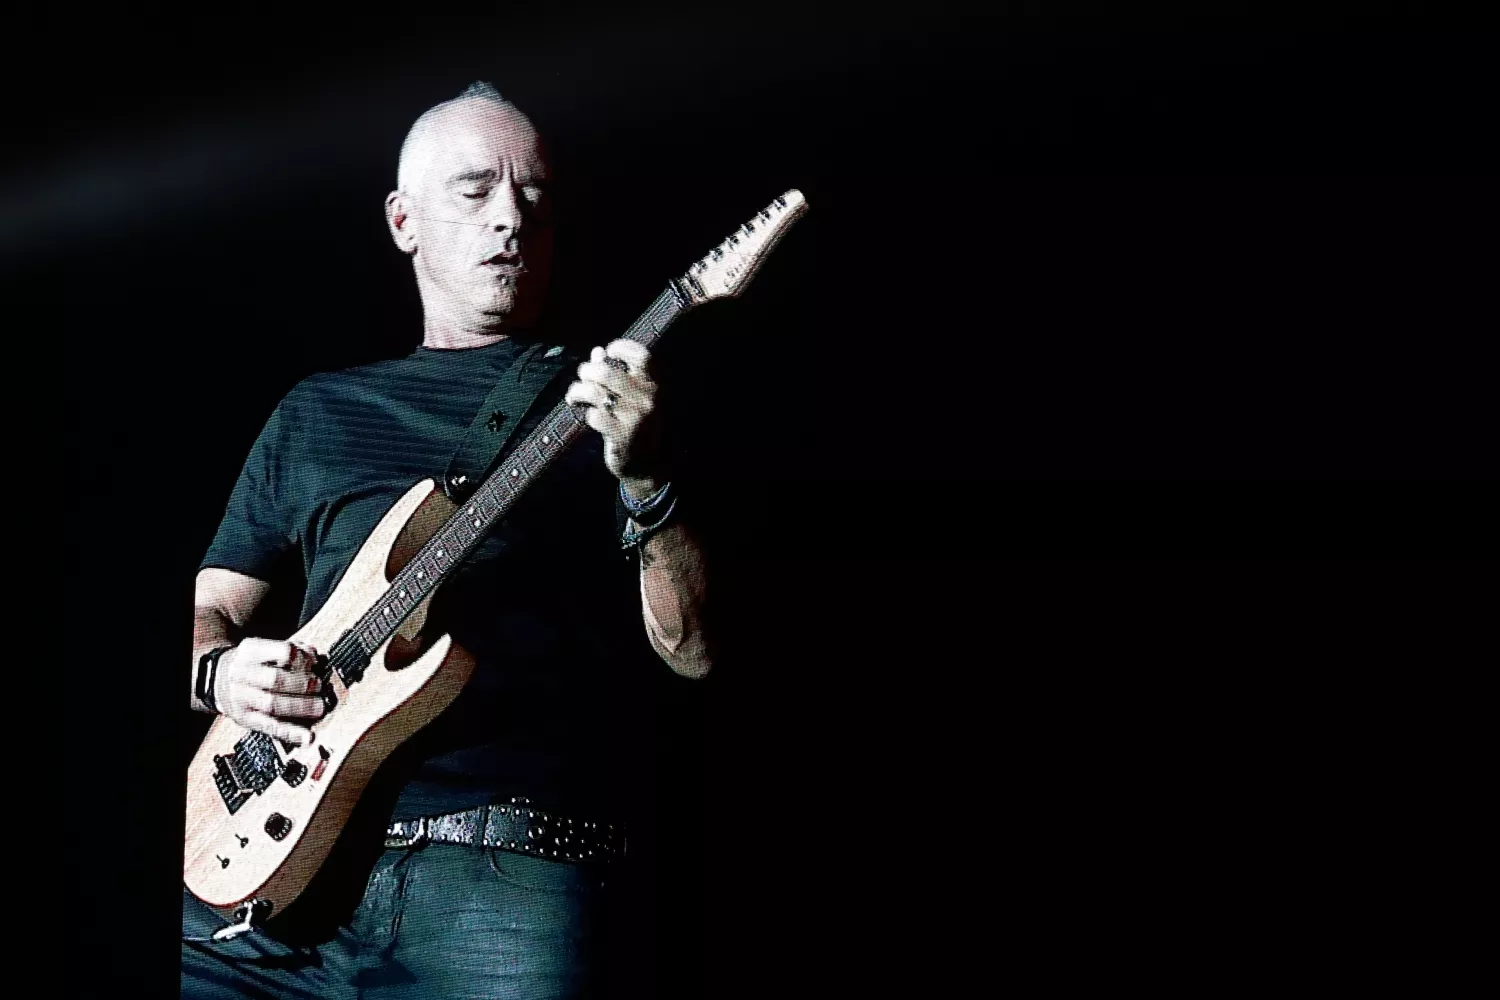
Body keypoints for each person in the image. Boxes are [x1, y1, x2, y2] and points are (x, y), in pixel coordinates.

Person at [180, 81, 711, 998]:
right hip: (269, 884)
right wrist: (219, 675)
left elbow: (693, 651)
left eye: (534, 196)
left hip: (498, 882)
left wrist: (647, 478)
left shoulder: (611, 408)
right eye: (476, 190)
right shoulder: (319, 410)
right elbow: (213, 605)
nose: (510, 217)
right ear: (404, 221)